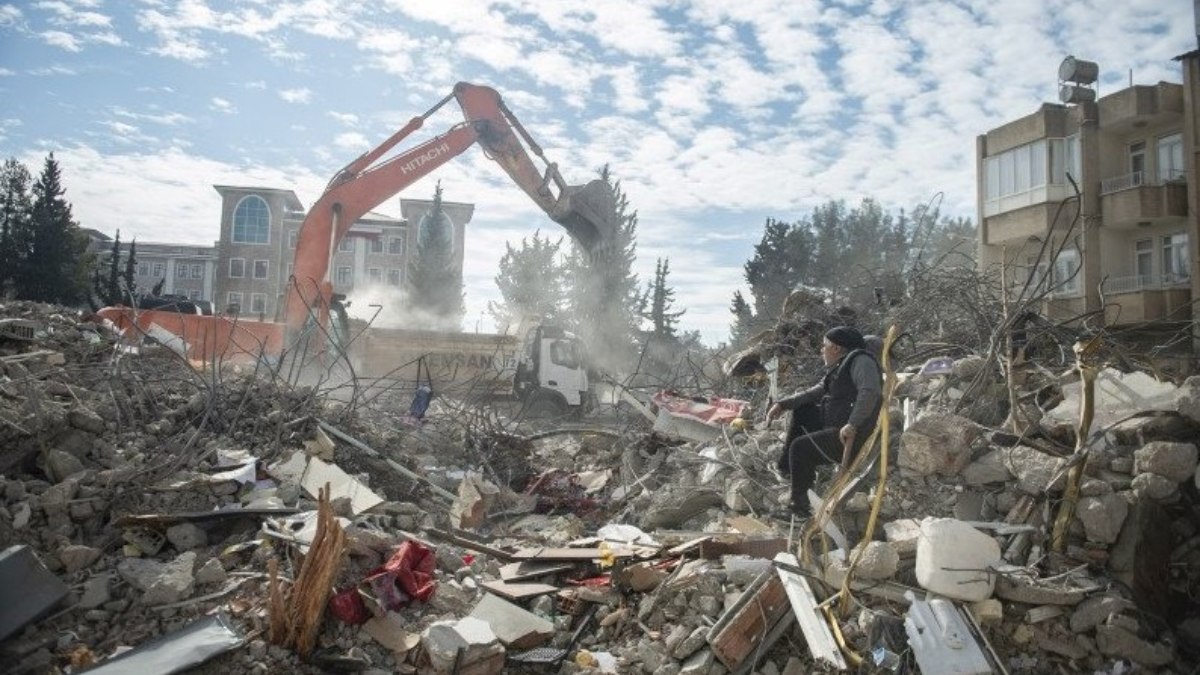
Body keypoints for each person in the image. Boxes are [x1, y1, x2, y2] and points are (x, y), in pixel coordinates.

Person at [767, 326, 882, 517]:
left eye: (824, 346)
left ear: (836, 348)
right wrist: (783, 404)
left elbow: (870, 392)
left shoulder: (861, 361)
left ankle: (799, 508)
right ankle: (789, 469)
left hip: (850, 436)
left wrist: (853, 423)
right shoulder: (841, 366)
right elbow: (816, 391)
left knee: (800, 447)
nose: (822, 350)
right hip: (837, 426)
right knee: (804, 411)